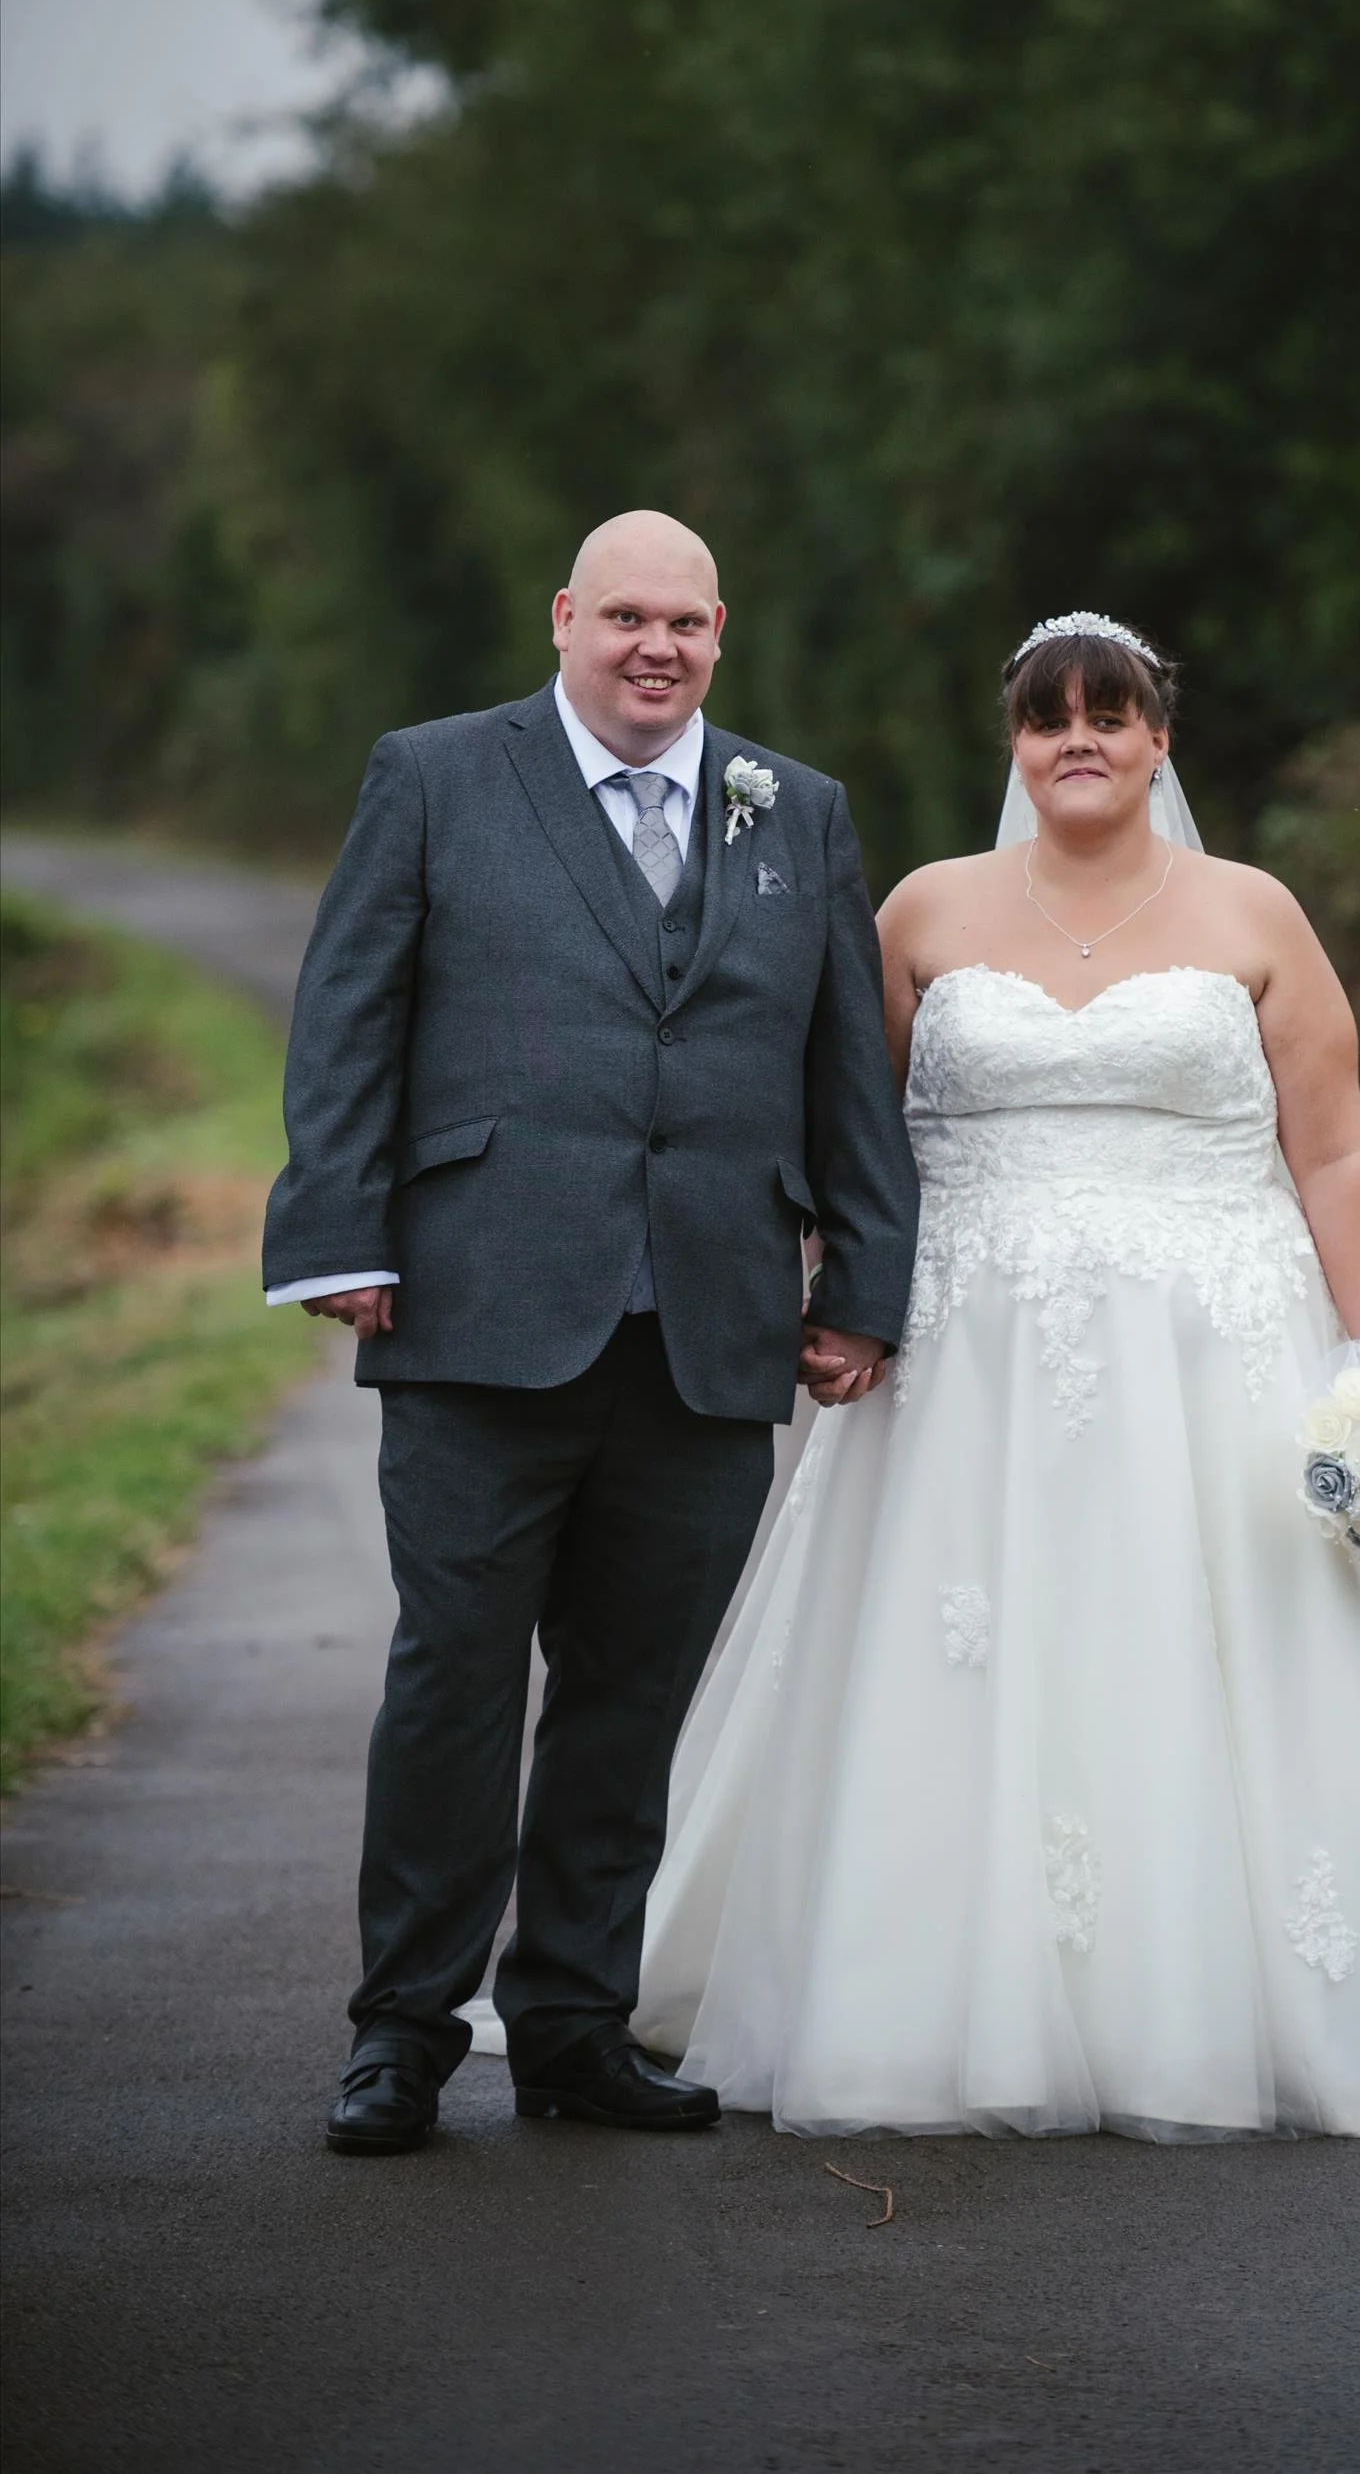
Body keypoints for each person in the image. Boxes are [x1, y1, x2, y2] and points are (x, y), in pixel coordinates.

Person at [622, 613, 1360, 2141]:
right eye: (1048, 715)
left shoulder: (1254, 910)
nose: (1079, 738)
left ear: (1159, 737)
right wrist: (839, 1299)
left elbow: (1336, 1143)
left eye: (1110, 712)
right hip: (971, 1364)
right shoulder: (925, 906)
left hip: (1215, 1351)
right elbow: (854, 1131)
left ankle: (1239, 1999)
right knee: (966, 1650)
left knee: (1219, 1641)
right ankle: (930, 1993)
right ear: (1015, 743)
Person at [263, 509, 918, 2154]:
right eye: (626, 616)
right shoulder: (434, 775)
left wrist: (860, 1288)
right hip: (481, 1307)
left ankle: (571, 2024)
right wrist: (338, 1230)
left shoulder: (796, 809)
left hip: (709, 1326)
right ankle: (403, 2031)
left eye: (685, 623)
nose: (656, 648)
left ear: (719, 635)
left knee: (635, 1696)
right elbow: (348, 1013)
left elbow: (847, 1066)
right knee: (455, 1682)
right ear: (565, 618)